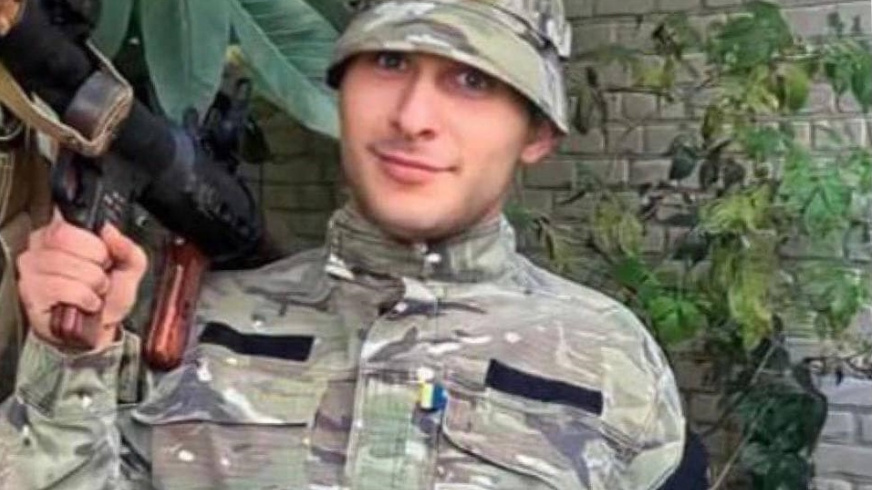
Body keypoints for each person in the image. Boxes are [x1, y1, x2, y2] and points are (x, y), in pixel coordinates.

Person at [0, 0, 687, 488]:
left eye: (473, 80)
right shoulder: (176, 327)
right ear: (342, 87)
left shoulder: (610, 364)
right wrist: (70, 360)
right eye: (388, 62)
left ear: (537, 132)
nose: (413, 117)